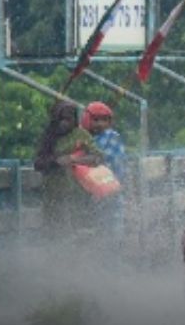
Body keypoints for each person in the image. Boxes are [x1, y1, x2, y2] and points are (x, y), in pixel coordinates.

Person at [33, 100, 104, 241]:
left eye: (68, 119)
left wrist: (74, 160)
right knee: (55, 234)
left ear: (75, 120)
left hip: (79, 194)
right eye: (60, 119)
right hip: (54, 195)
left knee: (80, 234)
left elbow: (97, 157)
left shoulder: (81, 135)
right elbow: (38, 163)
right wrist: (56, 161)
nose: (64, 123)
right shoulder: (48, 137)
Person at [80, 101, 128, 243]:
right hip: (93, 190)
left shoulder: (110, 136)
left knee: (110, 227)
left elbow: (99, 159)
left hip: (109, 188)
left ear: (110, 122)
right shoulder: (84, 138)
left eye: (104, 120)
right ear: (87, 120)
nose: (100, 124)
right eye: (95, 120)